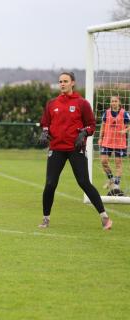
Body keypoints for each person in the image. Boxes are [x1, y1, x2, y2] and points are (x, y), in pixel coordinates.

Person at [38, 72, 112, 230]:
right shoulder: (52, 104)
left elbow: (91, 125)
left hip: (75, 148)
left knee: (84, 182)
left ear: (73, 83)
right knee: (50, 184)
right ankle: (46, 219)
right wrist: (45, 132)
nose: (62, 84)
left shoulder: (82, 103)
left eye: (65, 81)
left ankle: (104, 217)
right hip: (56, 148)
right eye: (60, 82)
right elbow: (45, 123)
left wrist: (84, 133)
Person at [98, 96, 129, 194]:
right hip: (107, 141)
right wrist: (100, 138)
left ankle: (116, 183)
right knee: (103, 161)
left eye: (116, 101)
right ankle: (111, 178)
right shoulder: (106, 113)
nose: (114, 103)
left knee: (118, 164)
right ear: (110, 103)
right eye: (112, 101)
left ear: (119, 102)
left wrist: (126, 130)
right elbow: (102, 126)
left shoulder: (124, 113)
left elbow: (129, 125)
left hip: (119, 142)